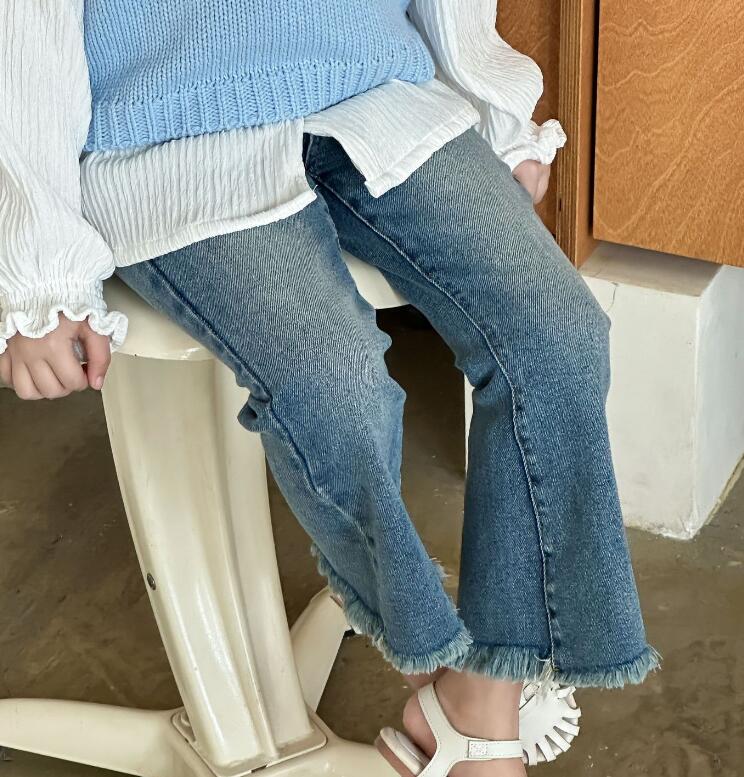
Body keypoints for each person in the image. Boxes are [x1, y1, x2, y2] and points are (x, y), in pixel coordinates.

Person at [0, 2, 659, 775]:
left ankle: (481, 701)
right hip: (166, 133)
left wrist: (495, 107)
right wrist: (36, 270)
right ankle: (426, 665)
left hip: (378, 87)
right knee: (334, 381)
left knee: (557, 335)